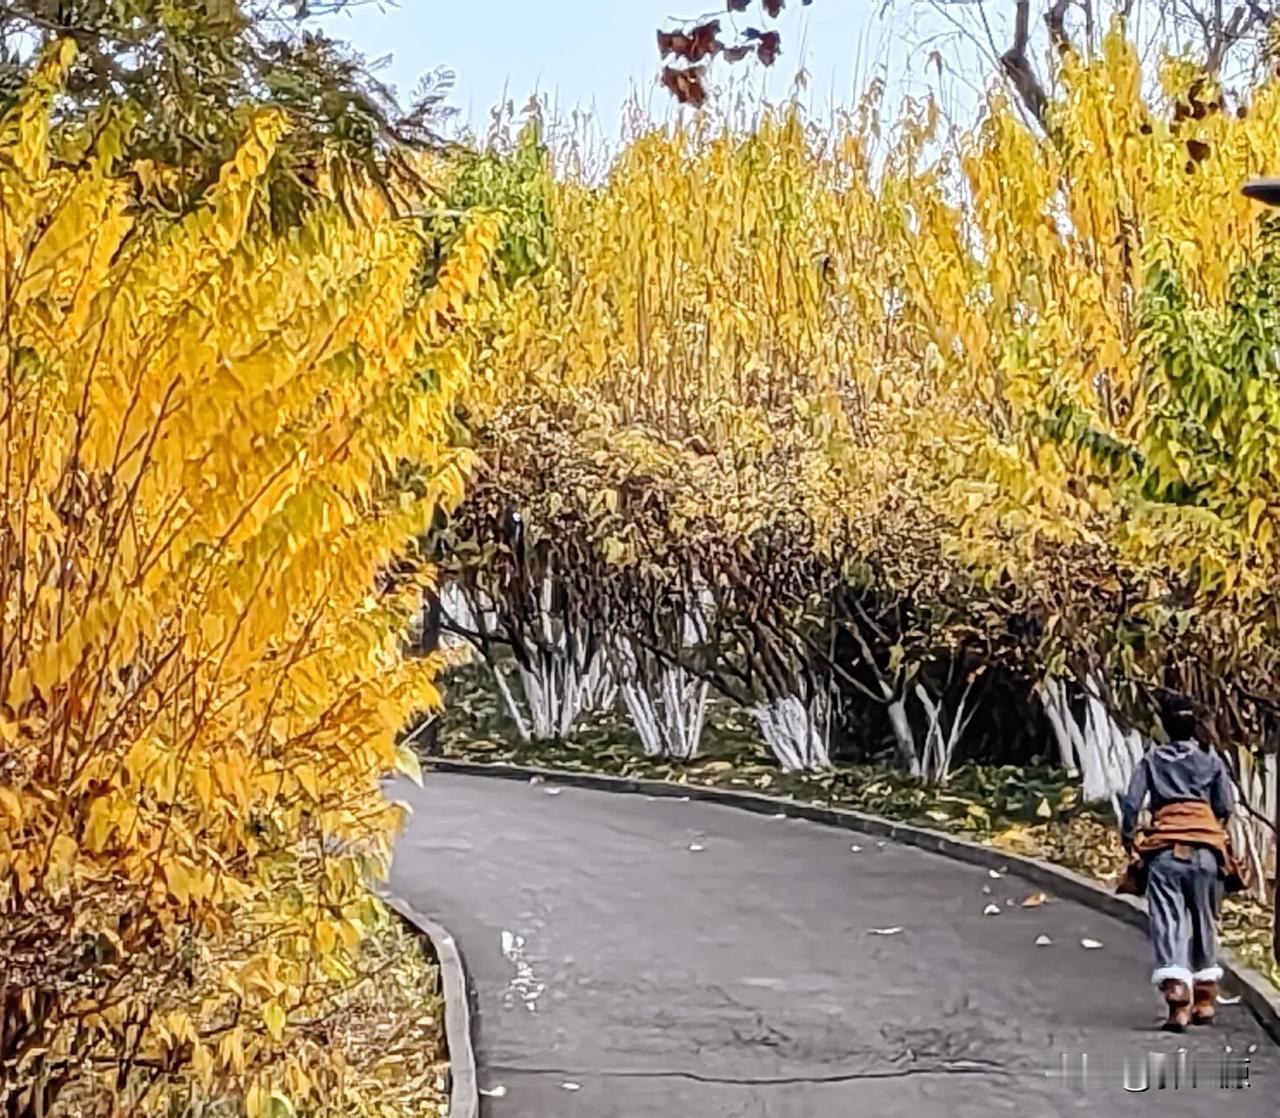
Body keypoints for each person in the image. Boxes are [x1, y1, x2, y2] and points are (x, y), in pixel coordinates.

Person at [1116, 691, 1242, 1032]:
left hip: (1165, 850)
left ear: (1165, 727)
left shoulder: (1152, 760)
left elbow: (1130, 804)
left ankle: (1177, 997)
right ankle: (1205, 999)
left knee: (1168, 917)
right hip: (1206, 850)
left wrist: (1130, 836)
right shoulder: (1211, 760)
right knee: (1204, 918)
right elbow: (1225, 807)